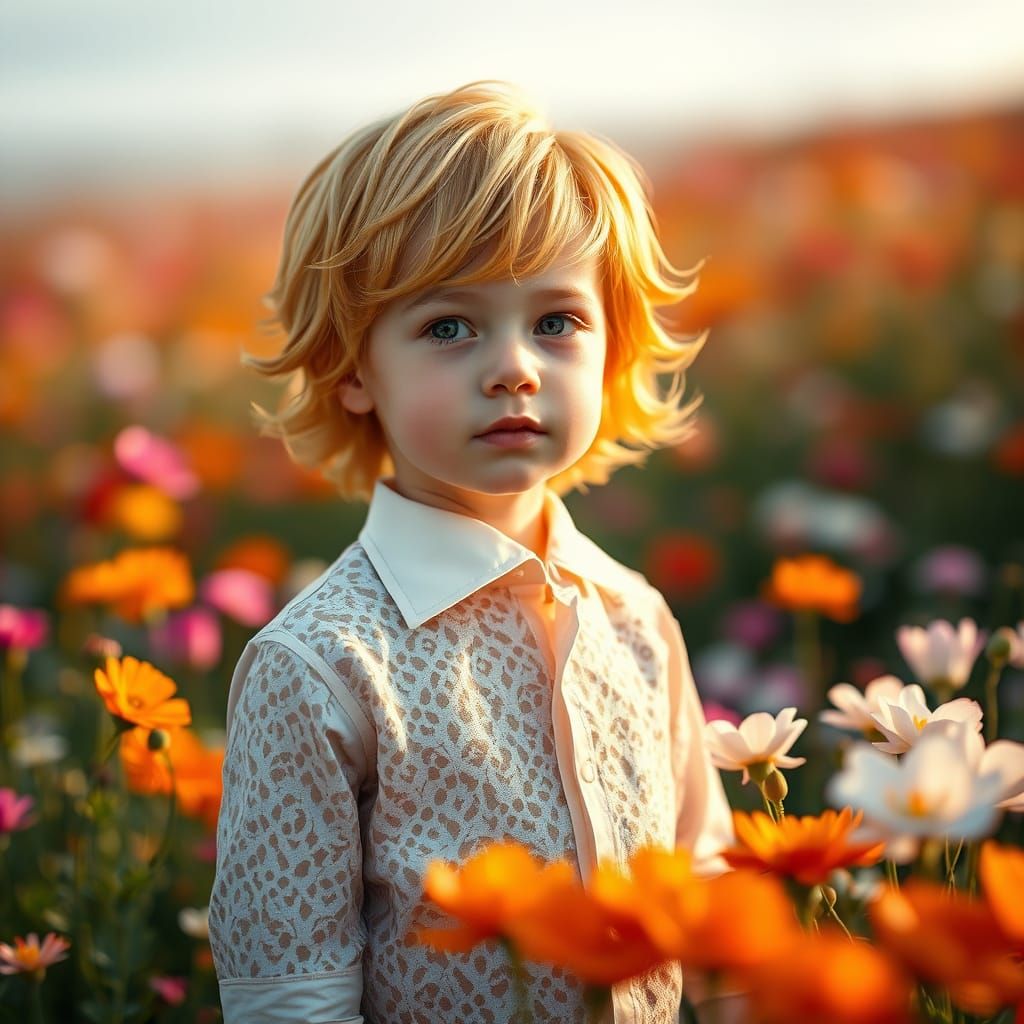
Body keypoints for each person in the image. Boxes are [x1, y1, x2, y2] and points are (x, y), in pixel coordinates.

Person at [208, 79, 738, 1024]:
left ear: (613, 348)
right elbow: (293, 995)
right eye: (449, 327)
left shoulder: (635, 617)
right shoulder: (317, 666)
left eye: (556, 322)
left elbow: (708, 896)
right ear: (353, 369)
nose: (514, 368)